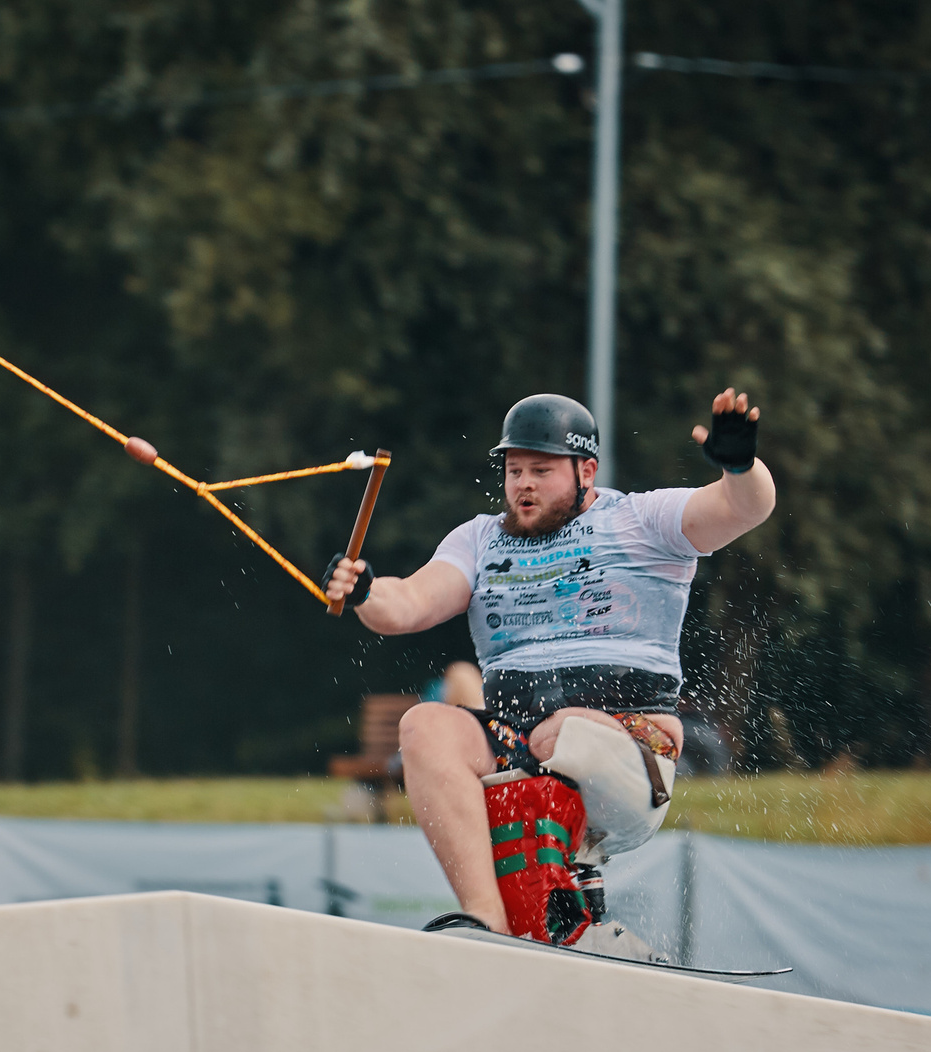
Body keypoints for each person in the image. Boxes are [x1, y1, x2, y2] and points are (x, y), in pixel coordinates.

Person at [322, 389, 777, 936]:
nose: (524, 485)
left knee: (563, 732)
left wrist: (741, 468)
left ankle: (566, 885)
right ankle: (485, 920)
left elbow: (744, 507)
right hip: (521, 746)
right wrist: (367, 589)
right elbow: (410, 604)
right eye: (515, 471)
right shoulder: (479, 539)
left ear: (587, 470)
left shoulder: (642, 518)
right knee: (424, 724)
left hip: (631, 755)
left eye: (541, 470)